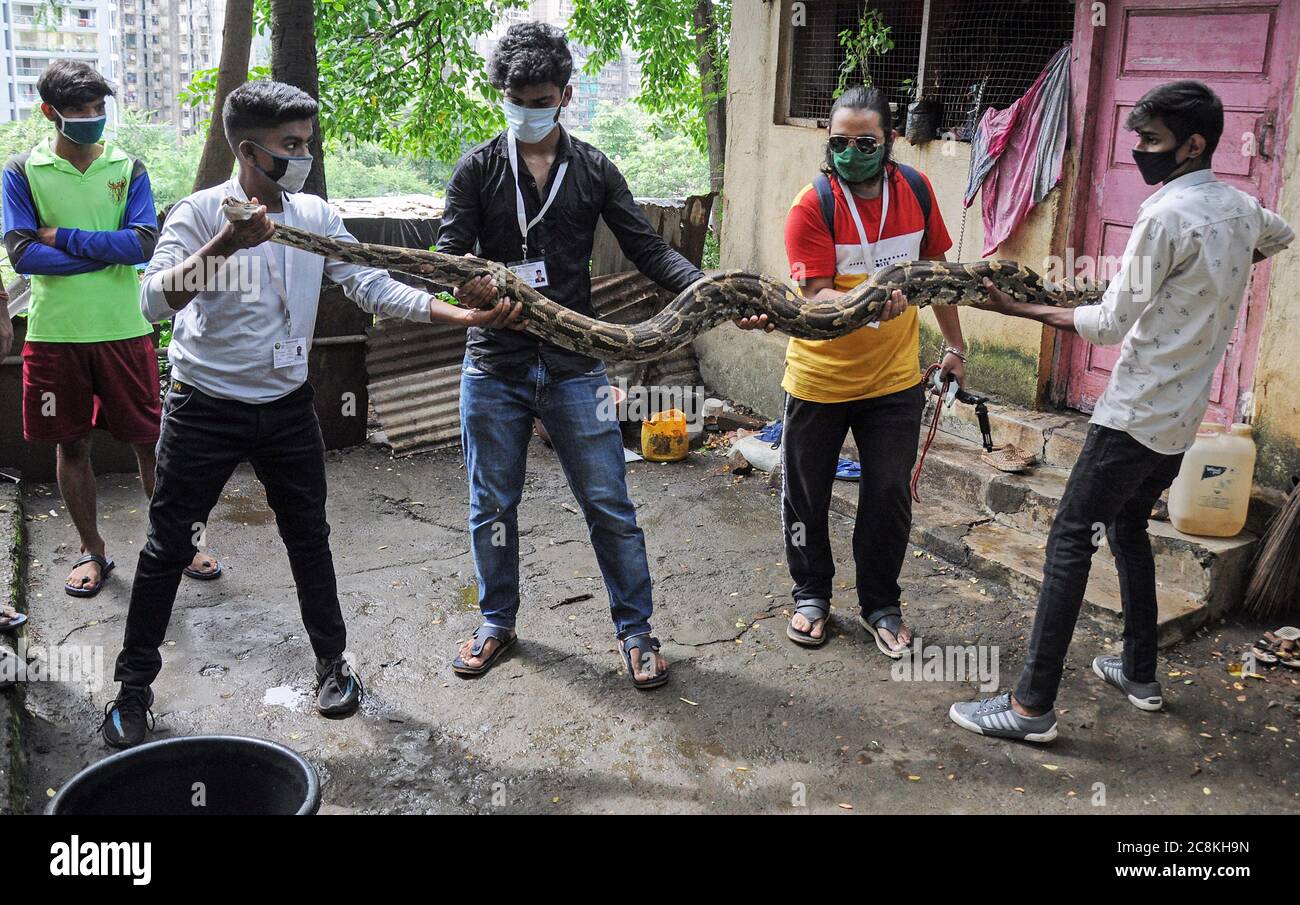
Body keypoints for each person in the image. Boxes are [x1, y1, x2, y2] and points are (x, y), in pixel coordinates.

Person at [100, 80, 525, 748]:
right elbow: (154, 304)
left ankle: (333, 663)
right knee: (167, 548)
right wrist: (226, 247)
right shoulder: (196, 214)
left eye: (306, 143)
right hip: (203, 409)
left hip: (288, 409)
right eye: (289, 146)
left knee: (309, 538)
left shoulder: (317, 218)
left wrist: (463, 314)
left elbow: (370, 285)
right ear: (247, 151)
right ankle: (132, 692)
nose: (302, 156)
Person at [950, 80, 1294, 743]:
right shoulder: (1240, 208)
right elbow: (1277, 236)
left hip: (1134, 411)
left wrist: (1015, 309)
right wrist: (1209, 278)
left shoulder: (1166, 216)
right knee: (1129, 520)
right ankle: (1138, 670)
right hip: (1182, 415)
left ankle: (1031, 706)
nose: (1139, 150)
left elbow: (1108, 325)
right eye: (1137, 137)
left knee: (1069, 533)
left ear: (1194, 144)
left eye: (1152, 140)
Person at [438, 23, 705, 687]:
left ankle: (637, 631)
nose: (529, 109)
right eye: (517, 98)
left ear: (565, 94)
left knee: (609, 503)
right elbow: (447, 257)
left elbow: (648, 249)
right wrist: (471, 286)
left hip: (574, 363)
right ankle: (496, 621)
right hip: (494, 364)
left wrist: (712, 290)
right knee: (491, 505)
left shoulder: (592, 169)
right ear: (504, 93)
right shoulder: (478, 168)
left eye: (542, 98)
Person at [739, 85, 967, 658]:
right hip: (820, 380)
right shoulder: (811, 206)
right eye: (839, 142)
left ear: (889, 140)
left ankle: (881, 604)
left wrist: (956, 346)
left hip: (894, 381)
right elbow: (815, 298)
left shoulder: (915, 189)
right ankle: (810, 593)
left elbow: (937, 273)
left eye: (865, 141)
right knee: (806, 495)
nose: (851, 152)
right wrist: (873, 298)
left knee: (888, 494)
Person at [1, 60, 221, 597]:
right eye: (79, 111)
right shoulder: (21, 170)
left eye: (99, 109)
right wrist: (100, 252)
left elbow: (143, 244)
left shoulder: (129, 166)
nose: (93, 119)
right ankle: (92, 551)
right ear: (51, 113)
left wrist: (62, 238)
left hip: (127, 328)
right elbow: (23, 253)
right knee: (70, 444)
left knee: (151, 441)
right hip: (55, 334)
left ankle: (179, 543)